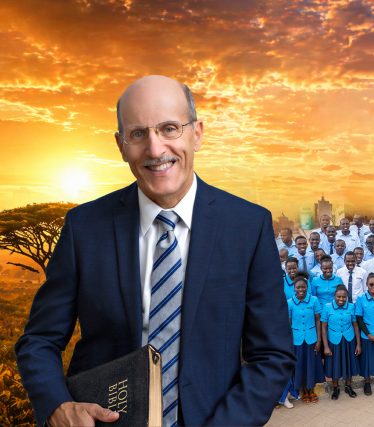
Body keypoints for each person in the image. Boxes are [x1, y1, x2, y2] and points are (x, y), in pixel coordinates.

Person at [14, 75, 294, 426]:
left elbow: (271, 355)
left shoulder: (248, 226)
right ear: (120, 145)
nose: (155, 149)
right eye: (137, 134)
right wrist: (58, 406)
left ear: (197, 133)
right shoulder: (84, 228)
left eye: (169, 128)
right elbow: (39, 339)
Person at [286, 275, 324, 404]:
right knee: (300, 365)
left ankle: (311, 390)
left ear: (307, 287)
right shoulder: (290, 303)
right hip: (297, 340)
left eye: (303, 287)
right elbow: (289, 323)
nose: (301, 289)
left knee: (311, 365)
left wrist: (319, 340)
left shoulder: (314, 300)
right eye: (298, 287)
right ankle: (303, 391)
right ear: (294, 288)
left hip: (311, 338)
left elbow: (318, 320)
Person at [321, 285, 361, 400]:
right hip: (333, 341)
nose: (341, 299)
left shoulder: (351, 307)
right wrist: (326, 346)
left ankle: (348, 386)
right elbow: (323, 327)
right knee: (335, 365)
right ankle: (335, 388)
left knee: (349, 364)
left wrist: (358, 344)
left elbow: (355, 325)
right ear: (334, 296)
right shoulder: (327, 307)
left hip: (349, 340)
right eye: (339, 296)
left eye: (344, 297)